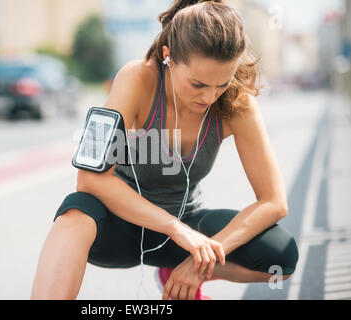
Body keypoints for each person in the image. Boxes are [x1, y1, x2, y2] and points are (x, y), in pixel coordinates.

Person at [30, 0, 299, 300]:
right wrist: (174, 229)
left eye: (220, 84)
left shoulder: (238, 102)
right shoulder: (135, 77)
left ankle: (175, 272)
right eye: (197, 84)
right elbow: (89, 179)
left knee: (281, 256)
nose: (209, 97)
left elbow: (274, 202)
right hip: (120, 228)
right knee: (76, 210)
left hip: (185, 228)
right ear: (168, 56)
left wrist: (201, 261)